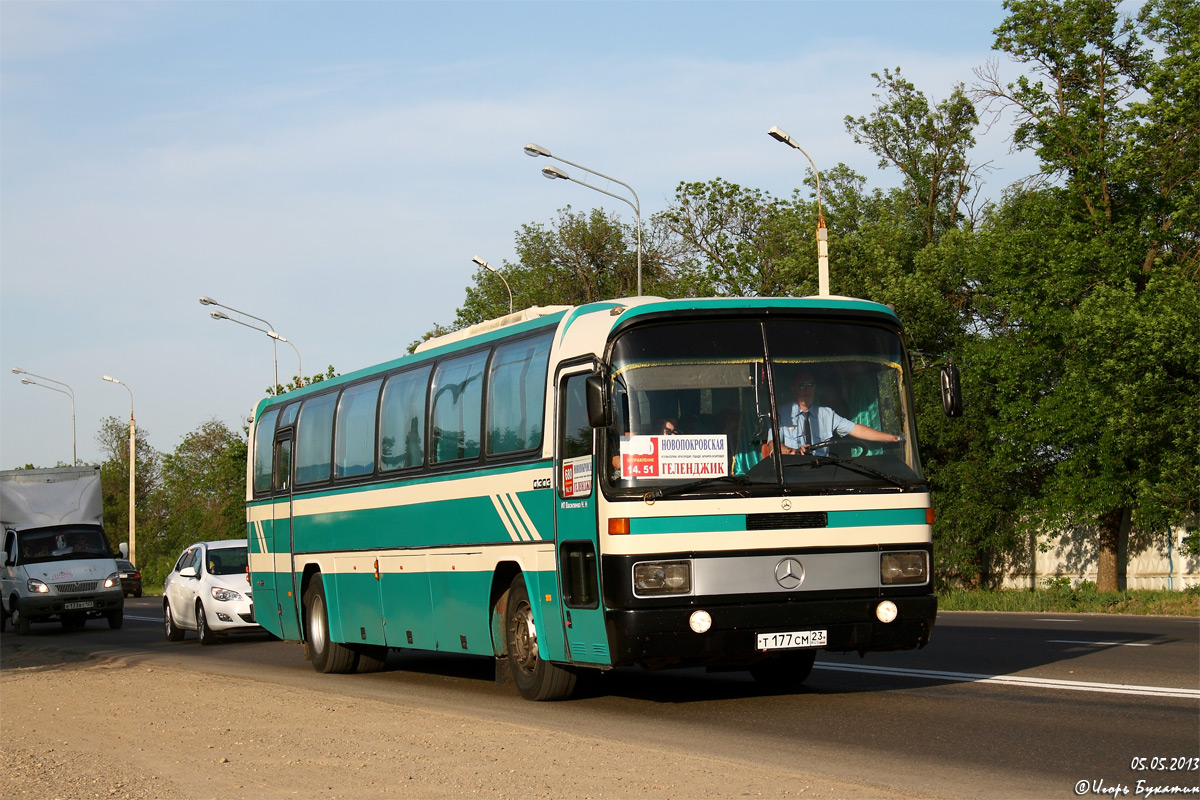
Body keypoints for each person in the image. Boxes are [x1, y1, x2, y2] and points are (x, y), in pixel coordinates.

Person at [763, 370, 901, 457]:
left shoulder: (827, 414)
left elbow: (856, 429)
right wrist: (794, 451)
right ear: (792, 388)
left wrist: (894, 438)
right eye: (802, 385)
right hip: (791, 473)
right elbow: (773, 445)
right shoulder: (780, 414)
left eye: (811, 385)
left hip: (823, 473)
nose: (807, 390)